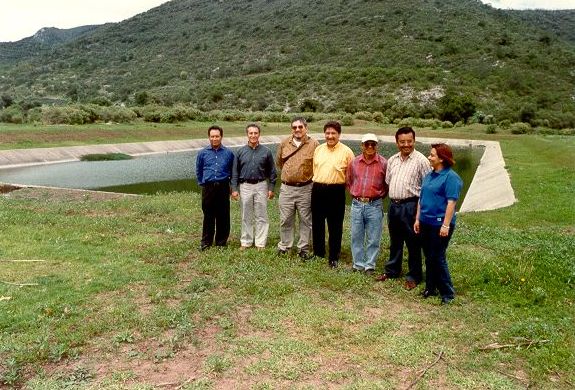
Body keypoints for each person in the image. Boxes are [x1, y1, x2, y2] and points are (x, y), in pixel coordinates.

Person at [376, 127, 431, 289]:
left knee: (413, 241)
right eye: (402, 142)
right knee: (395, 240)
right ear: (397, 142)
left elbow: (427, 188)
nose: (406, 145)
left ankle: (414, 276)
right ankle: (392, 270)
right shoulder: (392, 160)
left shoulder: (422, 161)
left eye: (409, 141)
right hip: (394, 205)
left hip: (412, 205)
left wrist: (419, 213)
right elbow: (388, 181)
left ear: (414, 141)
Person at [414, 143, 463, 304]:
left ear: (442, 158)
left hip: (440, 224)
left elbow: (451, 203)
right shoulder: (430, 175)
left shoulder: (451, 178)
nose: (429, 157)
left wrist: (446, 225)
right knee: (429, 257)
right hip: (425, 222)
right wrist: (417, 219)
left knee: (438, 257)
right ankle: (430, 288)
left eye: (432, 155)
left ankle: (447, 293)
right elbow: (422, 199)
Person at [312, 120, 355, 268]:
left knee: (335, 225)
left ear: (339, 135)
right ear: (324, 134)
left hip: (336, 191)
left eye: (333, 133)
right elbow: (314, 169)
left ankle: (333, 256)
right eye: (328, 133)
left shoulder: (347, 152)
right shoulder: (318, 149)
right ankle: (318, 253)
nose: (330, 136)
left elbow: (352, 174)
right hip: (318, 189)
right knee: (317, 223)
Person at [276, 117, 319, 259]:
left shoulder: (314, 144)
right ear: (291, 129)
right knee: (285, 219)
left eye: (300, 127)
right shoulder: (284, 143)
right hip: (287, 188)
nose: (297, 130)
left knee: (306, 220)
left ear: (306, 128)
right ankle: (285, 246)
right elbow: (280, 162)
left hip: (306, 188)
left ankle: (303, 249)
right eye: (294, 127)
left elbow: (317, 165)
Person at [346, 133, 388, 275]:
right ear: (362, 145)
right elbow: (349, 181)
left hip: (375, 205)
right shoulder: (354, 162)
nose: (370, 146)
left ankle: (370, 265)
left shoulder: (384, 163)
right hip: (357, 204)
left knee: (373, 237)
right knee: (356, 236)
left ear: (377, 146)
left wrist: (377, 196)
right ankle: (358, 264)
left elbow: (386, 185)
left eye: (373, 144)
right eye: (367, 144)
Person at [231, 123, 277, 250]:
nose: (253, 135)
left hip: (261, 185)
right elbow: (235, 172)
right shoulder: (240, 152)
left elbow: (272, 172)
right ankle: (246, 241)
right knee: (246, 215)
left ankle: (260, 243)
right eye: (251, 133)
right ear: (247, 134)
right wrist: (234, 189)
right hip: (245, 185)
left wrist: (271, 188)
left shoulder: (266, 152)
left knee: (261, 215)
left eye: (255, 133)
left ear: (259, 134)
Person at [195, 125, 235, 251]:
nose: (214, 139)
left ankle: (221, 242)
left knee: (223, 215)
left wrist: (231, 187)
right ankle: (206, 242)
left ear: (221, 137)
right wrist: (203, 183)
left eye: (217, 136)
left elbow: (232, 171)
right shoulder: (202, 153)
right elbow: (199, 170)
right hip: (208, 187)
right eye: (212, 136)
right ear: (209, 137)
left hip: (223, 187)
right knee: (208, 215)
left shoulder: (229, 153)